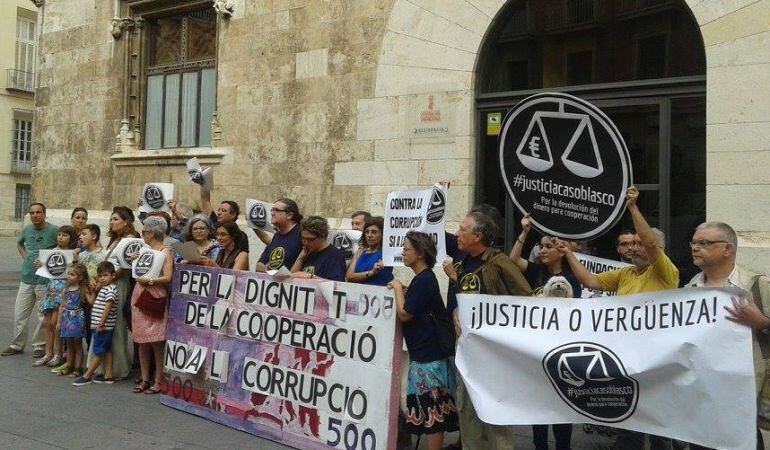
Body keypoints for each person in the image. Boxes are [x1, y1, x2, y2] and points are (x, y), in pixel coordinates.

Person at [558, 186, 678, 450]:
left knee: (658, 428)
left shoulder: (664, 272)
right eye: (630, 244)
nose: (634, 248)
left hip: (655, 359)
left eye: (638, 244)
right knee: (630, 423)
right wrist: (568, 253)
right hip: (627, 358)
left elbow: (651, 243)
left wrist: (633, 208)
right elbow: (588, 280)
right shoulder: (626, 274)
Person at [450, 211, 532, 450]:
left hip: (492, 351)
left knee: (495, 409)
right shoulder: (464, 262)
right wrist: (457, 310)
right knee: (466, 408)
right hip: (466, 347)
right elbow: (465, 297)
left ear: (477, 236)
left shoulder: (500, 262)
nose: (457, 234)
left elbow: (525, 298)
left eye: (462, 229)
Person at [685, 222, 769, 450]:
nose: (695, 248)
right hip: (702, 402)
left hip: (743, 404)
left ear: (727, 249)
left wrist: (761, 323)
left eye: (704, 243)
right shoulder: (688, 291)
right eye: (694, 242)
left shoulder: (758, 286)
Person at [510, 214, 579, 450]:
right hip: (537, 351)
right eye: (541, 246)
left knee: (562, 406)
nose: (542, 249)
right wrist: (524, 232)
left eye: (549, 246)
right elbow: (513, 260)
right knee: (538, 406)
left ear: (561, 250)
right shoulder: (535, 271)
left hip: (562, 351)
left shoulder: (572, 279)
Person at [389, 231, 458, 450]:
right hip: (426, 352)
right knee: (430, 408)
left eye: (407, 249)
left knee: (432, 411)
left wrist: (399, 288)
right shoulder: (423, 279)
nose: (403, 252)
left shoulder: (425, 279)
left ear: (419, 253)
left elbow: (405, 313)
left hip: (428, 356)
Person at [2, 203, 58, 358]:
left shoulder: (54, 231)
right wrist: (26, 257)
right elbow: (19, 243)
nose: (35, 215)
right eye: (32, 212)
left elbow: (62, 247)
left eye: (38, 212)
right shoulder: (27, 229)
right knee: (20, 313)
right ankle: (16, 344)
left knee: (42, 315)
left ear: (44, 214)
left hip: (44, 280)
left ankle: (39, 346)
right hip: (26, 278)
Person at [92, 207, 138, 381]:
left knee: (115, 323)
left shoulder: (129, 239)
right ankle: (103, 366)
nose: (112, 222)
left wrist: (107, 279)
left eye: (116, 219)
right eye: (111, 219)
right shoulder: (114, 239)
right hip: (108, 281)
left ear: (126, 221)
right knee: (104, 321)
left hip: (117, 283)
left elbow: (124, 266)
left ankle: (118, 368)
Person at [131, 216, 174, 395]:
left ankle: (158, 380)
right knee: (141, 341)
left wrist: (149, 281)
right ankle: (144, 378)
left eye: (144, 232)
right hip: (139, 294)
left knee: (156, 341)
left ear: (151, 233)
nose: (143, 235)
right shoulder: (143, 250)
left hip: (154, 294)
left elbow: (167, 277)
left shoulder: (166, 251)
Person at [33, 225, 79, 368]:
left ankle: (58, 354)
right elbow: (45, 268)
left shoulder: (73, 254)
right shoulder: (52, 252)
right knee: (47, 323)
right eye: (59, 234)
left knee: (56, 323)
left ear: (71, 238)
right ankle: (48, 353)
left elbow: (76, 271)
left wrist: (76, 260)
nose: (60, 237)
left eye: (64, 235)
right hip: (52, 289)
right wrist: (40, 265)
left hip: (64, 290)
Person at [73, 261, 119, 386]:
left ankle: (87, 375)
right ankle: (108, 375)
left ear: (113, 275)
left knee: (98, 351)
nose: (102, 278)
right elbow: (93, 302)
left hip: (103, 326)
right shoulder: (104, 289)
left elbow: (108, 307)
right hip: (100, 325)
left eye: (105, 275)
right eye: (100, 276)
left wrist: (101, 323)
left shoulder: (111, 290)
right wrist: (93, 291)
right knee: (107, 349)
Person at [56, 264, 89, 377]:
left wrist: (93, 289)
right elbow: (61, 305)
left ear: (80, 277)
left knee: (78, 344)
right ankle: (69, 365)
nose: (69, 276)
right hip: (66, 318)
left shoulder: (82, 289)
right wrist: (59, 321)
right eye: (69, 274)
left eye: (72, 274)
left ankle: (78, 368)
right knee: (69, 344)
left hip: (77, 318)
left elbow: (91, 301)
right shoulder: (66, 289)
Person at [291, 216, 347, 281]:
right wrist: (300, 258)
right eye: (302, 238)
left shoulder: (335, 256)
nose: (305, 243)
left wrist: (310, 277)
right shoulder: (307, 251)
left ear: (322, 236)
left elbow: (336, 285)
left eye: (310, 239)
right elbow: (290, 278)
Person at [255, 198, 303, 272]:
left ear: (289, 215)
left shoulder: (302, 234)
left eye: (276, 210)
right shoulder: (277, 236)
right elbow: (259, 266)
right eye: (272, 210)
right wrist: (269, 270)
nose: (272, 213)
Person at [346, 216, 393, 285]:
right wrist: (371, 272)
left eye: (374, 232)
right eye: (367, 232)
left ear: (383, 234)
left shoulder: (387, 254)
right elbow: (349, 277)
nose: (369, 235)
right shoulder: (360, 252)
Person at [199, 188, 249, 252]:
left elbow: (243, 257)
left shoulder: (241, 236)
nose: (219, 213)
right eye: (218, 210)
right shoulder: (214, 222)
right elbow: (205, 200)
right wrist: (204, 182)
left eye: (224, 211)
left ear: (233, 214)